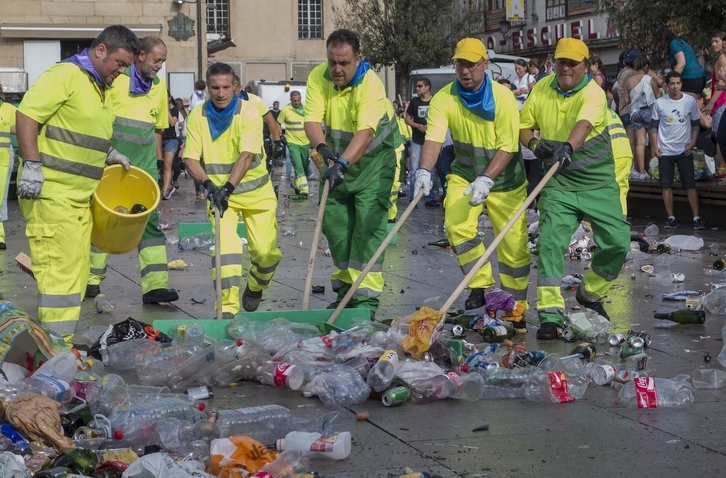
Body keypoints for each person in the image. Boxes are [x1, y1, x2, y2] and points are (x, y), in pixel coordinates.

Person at [15, 25, 139, 344]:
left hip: (79, 200)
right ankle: (56, 352)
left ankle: (58, 348)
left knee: (76, 278)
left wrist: (108, 152)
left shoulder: (98, 87)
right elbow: (27, 116)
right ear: (100, 51)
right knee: (62, 282)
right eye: (119, 64)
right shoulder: (65, 75)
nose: (122, 72)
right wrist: (31, 163)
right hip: (52, 195)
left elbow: (80, 132)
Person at [413, 38, 530, 328]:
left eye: (471, 64)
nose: (465, 71)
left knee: (513, 248)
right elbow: (434, 139)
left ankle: (515, 308)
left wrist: (487, 178)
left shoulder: (503, 98)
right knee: (456, 225)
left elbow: (507, 146)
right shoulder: (445, 98)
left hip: (504, 180)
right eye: (460, 64)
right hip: (464, 174)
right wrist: (423, 171)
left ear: (485, 65)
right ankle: (482, 285)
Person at [519, 37, 630, 340]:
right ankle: (551, 314)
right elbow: (523, 126)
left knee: (618, 243)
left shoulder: (594, 93)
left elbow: (583, 124)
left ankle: (590, 293)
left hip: (598, 183)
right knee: (551, 244)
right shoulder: (541, 88)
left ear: (585, 65)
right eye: (561, 62)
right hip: (560, 183)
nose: (566, 68)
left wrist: (568, 146)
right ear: (553, 63)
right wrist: (535, 144)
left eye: (573, 63)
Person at [304, 29, 399, 318]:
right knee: (336, 229)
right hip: (337, 163)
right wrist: (322, 146)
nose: (337, 69)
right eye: (332, 61)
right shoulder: (319, 77)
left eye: (344, 63)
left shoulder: (370, 85)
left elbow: (366, 133)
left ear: (358, 59)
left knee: (368, 230)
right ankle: (345, 294)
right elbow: (311, 120)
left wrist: (343, 165)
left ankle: (366, 301)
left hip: (373, 165)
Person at [183, 62, 283, 316]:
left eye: (226, 87)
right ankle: (226, 310)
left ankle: (256, 285)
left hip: (257, 195)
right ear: (207, 88)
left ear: (235, 87)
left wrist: (226, 188)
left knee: (264, 253)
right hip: (220, 198)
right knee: (226, 255)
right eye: (215, 88)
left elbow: (246, 156)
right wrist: (209, 186)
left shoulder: (248, 113)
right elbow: (190, 159)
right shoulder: (198, 116)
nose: (220, 93)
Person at [87, 36, 179, 305]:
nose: (160, 66)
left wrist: (161, 167)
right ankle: (91, 281)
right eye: (156, 60)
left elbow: (157, 130)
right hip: (111, 163)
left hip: (145, 166)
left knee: (149, 222)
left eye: (163, 61)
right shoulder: (116, 78)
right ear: (140, 55)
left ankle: (155, 287)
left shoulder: (159, 87)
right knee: (104, 219)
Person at [649, 70, 705, 230]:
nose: (675, 86)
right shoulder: (659, 103)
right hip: (665, 150)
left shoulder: (689, 101)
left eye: (678, 83)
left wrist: (693, 141)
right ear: (666, 85)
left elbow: (695, 123)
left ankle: (696, 217)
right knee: (666, 185)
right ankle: (671, 217)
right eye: (672, 83)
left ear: (681, 84)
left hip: (684, 149)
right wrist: (655, 145)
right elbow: (653, 126)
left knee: (690, 185)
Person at [624, 55, 659, 180]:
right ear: (646, 66)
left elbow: (627, 100)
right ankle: (655, 170)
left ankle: (642, 172)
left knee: (640, 143)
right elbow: (657, 98)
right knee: (654, 141)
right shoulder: (650, 79)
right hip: (649, 112)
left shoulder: (628, 81)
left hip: (635, 113)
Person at [405, 77, 437, 206]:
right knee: (414, 170)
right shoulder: (414, 102)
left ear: (427, 87)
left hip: (431, 141)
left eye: (420, 86)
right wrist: (416, 125)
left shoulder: (435, 101)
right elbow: (407, 118)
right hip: (417, 141)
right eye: (417, 86)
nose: (417, 88)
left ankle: (429, 197)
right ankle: (413, 196)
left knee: (431, 170)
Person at [655, 25, 707, 99]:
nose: (660, 43)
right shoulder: (680, 42)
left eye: (659, 40)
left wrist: (669, 80)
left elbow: (681, 63)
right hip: (699, 77)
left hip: (691, 78)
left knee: (678, 100)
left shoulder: (674, 44)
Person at [276, 90, 309, 197]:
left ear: (300, 99)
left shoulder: (305, 109)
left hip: (305, 142)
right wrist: (281, 135)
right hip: (292, 142)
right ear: (291, 100)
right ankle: (304, 190)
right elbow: (278, 123)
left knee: (303, 167)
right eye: (294, 101)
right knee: (298, 166)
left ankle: (295, 184)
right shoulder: (286, 110)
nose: (296, 102)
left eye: (298, 100)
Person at [704, 30, 726, 178]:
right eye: (712, 41)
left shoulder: (722, 58)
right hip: (720, 101)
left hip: (721, 102)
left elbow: (721, 83)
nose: (713, 44)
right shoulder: (721, 58)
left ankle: (722, 170)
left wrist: (710, 104)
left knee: (720, 137)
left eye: (716, 41)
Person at [0, 85, 17, 250]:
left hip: (3, 160)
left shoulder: (8, 110)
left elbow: (21, 128)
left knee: (0, 198)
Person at [160, 92, 179, 198]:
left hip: (170, 139)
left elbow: (172, 123)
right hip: (158, 138)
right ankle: (162, 185)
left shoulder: (174, 109)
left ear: (169, 98)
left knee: (167, 165)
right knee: (160, 165)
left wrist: (166, 109)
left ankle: (165, 190)